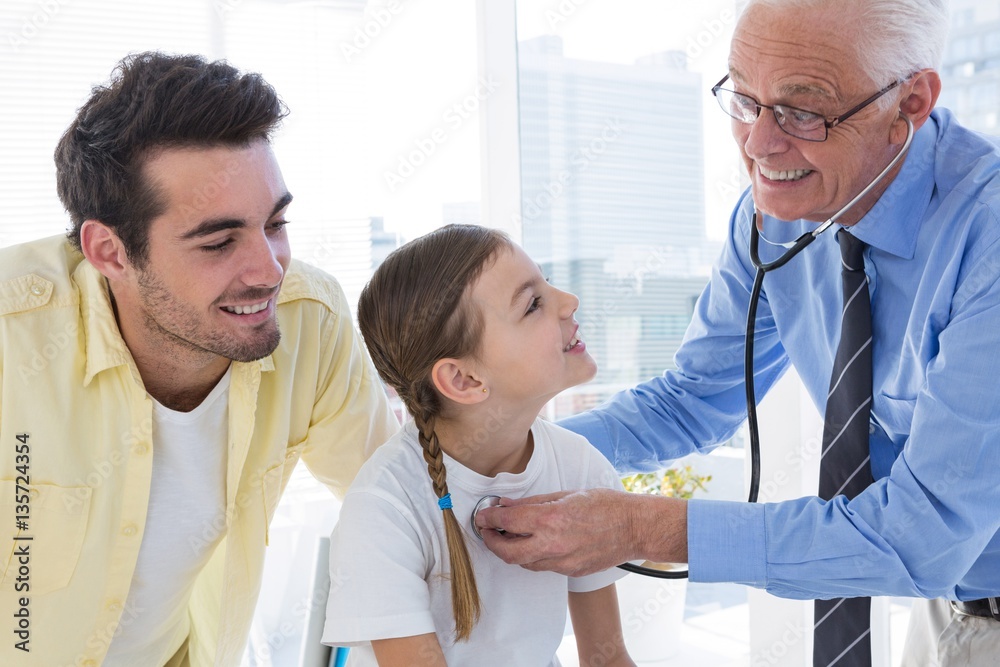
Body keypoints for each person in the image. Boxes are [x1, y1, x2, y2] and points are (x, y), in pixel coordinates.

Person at [475, 0, 1000, 665]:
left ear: (910, 103)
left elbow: (921, 534)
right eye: (745, 101)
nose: (759, 143)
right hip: (948, 604)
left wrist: (638, 526)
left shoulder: (987, 240)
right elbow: (692, 398)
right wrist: (499, 453)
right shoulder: (775, 213)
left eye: (803, 111)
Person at [0, 52, 398, 666]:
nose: (269, 271)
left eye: (276, 223)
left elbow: (402, 506)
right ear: (109, 251)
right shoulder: (13, 336)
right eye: (219, 241)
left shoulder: (308, 321)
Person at [322, 224, 634, 667]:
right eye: (533, 305)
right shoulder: (383, 511)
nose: (569, 302)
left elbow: (608, 659)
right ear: (464, 379)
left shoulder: (579, 466)